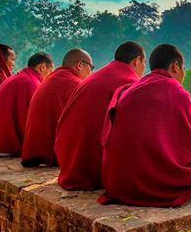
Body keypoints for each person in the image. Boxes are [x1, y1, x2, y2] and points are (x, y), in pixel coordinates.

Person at [99, 44, 191, 207]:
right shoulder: (177, 92)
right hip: (152, 183)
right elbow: (189, 149)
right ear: (175, 66)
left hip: (119, 183)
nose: (183, 73)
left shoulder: (129, 89)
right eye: (183, 68)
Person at [54, 42, 145, 190]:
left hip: (68, 160)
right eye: (144, 63)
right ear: (136, 61)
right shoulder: (130, 83)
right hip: (91, 167)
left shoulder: (94, 77)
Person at [21, 48, 94, 167]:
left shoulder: (49, 79)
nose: (91, 73)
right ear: (80, 64)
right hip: (52, 154)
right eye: (91, 67)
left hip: (33, 152)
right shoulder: (76, 84)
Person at [0, 53, 54, 157]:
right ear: (43, 67)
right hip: (8, 146)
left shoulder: (16, 77)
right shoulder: (32, 83)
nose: (49, 75)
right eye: (50, 71)